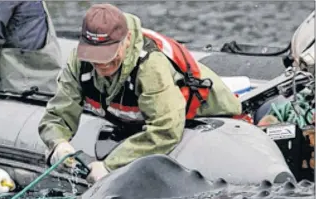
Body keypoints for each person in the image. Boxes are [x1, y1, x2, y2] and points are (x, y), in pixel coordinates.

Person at [38, 3, 242, 183]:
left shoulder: (150, 65)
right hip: (140, 121)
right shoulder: (79, 60)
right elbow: (58, 114)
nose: (102, 63)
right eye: (95, 55)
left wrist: (110, 166)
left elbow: (166, 129)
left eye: (108, 54)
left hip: (209, 114)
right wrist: (58, 143)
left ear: (126, 40)